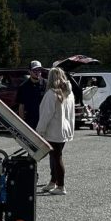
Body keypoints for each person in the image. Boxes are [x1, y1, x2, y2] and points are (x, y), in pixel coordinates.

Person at [36, 66, 75, 195]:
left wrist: (39, 131)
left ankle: (61, 186)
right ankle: (53, 182)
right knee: (55, 157)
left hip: (54, 131)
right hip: (64, 130)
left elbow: (46, 115)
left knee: (56, 157)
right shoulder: (68, 94)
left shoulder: (51, 94)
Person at [15, 61, 45, 130]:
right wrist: (22, 123)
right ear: (29, 71)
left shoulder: (46, 84)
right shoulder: (23, 87)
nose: (38, 72)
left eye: (39, 70)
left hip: (44, 120)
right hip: (30, 121)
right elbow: (21, 106)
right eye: (35, 70)